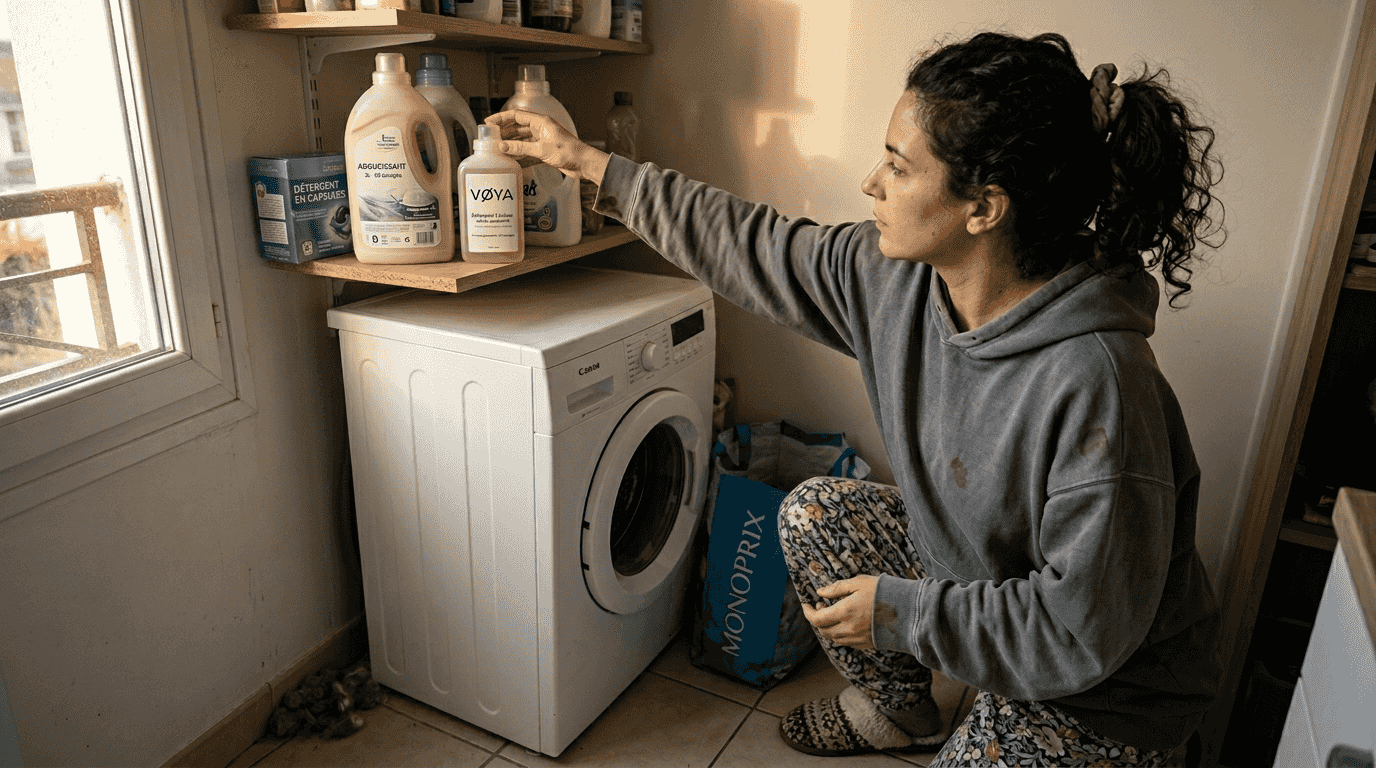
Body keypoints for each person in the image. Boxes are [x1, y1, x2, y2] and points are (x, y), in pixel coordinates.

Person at [488, 31, 1225, 768]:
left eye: (900, 167)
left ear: (984, 208)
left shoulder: (1100, 384)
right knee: (815, 512)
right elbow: (752, 243)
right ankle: (906, 715)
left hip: (1107, 694)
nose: (873, 182)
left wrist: (903, 614)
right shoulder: (899, 281)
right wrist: (588, 164)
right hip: (993, 595)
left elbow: (1079, 631)